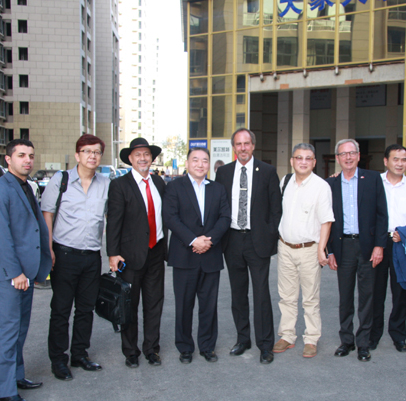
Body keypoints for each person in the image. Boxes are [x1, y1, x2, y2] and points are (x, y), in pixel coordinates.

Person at [0, 139, 52, 401]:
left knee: (20, 330)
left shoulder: (26, 186)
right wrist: (15, 273)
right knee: (7, 333)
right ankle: (5, 392)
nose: (28, 160)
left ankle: (16, 376)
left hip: (26, 273)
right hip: (9, 275)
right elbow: (0, 236)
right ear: (8, 159)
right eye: (21, 155)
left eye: (31, 156)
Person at [41, 134, 109, 380]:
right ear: (77, 155)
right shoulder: (61, 180)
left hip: (91, 257)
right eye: (87, 151)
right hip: (64, 255)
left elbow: (112, 218)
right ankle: (58, 360)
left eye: (97, 152)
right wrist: (48, 249)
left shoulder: (106, 183)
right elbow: (47, 215)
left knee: (85, 309)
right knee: (61, 309)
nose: (92, 156)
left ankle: (79, 354)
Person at [214, 128, 282, 364]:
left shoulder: (268, 171)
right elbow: (218, 207)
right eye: (238, 144)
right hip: (232, 240)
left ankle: (265, 345)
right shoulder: (223, 172)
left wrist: (270, 235)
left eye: (246, 143)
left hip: (258, 241)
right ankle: (243, 339)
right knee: (238, 293)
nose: (242, 148)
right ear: (234, 147)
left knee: (261, 294)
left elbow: (276, 209)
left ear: (253, 145)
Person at [163, 147, 231, 363]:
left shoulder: (218, 189)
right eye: (195, 160)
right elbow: (170, 217)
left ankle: (207, 346)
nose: (200, 164)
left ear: (209, 164)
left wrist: (208, 240)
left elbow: (225, 218)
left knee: (209, 305)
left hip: (210, 255)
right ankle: (184, 347)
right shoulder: (174, 187)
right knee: (184, 305)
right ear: (187, 163)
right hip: (184, 255)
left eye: (204, 160)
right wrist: (193, 240)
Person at [106, 138, 167, 368]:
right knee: (129, 306)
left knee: (154, 304)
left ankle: (152, 349)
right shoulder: (119, 185)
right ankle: (131, 351)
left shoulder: (159, 183)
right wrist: (113, 253)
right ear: (130, 159)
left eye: (146, 154)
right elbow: (114, 222)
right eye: (138, 154)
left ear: (152, 158)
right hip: (129, 257)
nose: (143, 158)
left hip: (156, 253)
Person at [326, 139, 388, 362]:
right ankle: (346, 340)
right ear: (338, 158)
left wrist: (379, 245)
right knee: (345, 296)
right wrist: (329, 251)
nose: (348, 157)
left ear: (359, 155)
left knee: (366, 296)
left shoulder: (372, 179)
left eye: (352, 153)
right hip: (342, 247)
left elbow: (382, 214)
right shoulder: (330, 184)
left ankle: (363, 343)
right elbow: (326, 220)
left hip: (367, 246)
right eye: (343, 154)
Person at [273, 143, 334, 358]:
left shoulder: (321, 186)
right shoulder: (286, 181)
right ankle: (287, 335)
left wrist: (321, 249)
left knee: (310, 298)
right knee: (286, 296)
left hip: (309, 249)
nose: (303, 162)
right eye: (299, 157)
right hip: (285, 248)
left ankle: (311, 338)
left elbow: (326, 221)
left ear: (314, 162)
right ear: (292, 161)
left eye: (308, 158)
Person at [369, 144, 406, 353]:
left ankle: (398, 335)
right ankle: (373, 335)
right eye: (395, 159)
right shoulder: (374, 183)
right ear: (386, 161)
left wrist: (405, 233)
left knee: (400, 292)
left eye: (403, 160)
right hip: (378, 243)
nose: (400, 163)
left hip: (401, 243)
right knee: (375, 292)